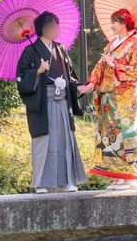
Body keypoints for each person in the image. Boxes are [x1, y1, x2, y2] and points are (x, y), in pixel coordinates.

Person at [78, 8, 137, 190]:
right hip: (108, 97)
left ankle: (130, 178)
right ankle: (118, 176)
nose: (111, 26)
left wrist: (115, 64)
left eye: (114, 22)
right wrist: (92, 83)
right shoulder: (112, 44)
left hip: (126, 100)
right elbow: (100, 66)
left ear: (124, 23)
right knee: (111, 136)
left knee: (127, 135)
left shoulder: (134, 45)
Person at [16, 11, 87, 193]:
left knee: (65, 141)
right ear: (42, 28)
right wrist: (38, 71)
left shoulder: (61, 49)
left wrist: (77, 87)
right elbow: (21, 79)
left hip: (62, 101)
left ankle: (65, 181)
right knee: (44, 142)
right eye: (52, 26)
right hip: (43, 103)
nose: (56, 29)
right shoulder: (30, 51)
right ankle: (41, 183)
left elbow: (70, 76)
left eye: (57, 26)